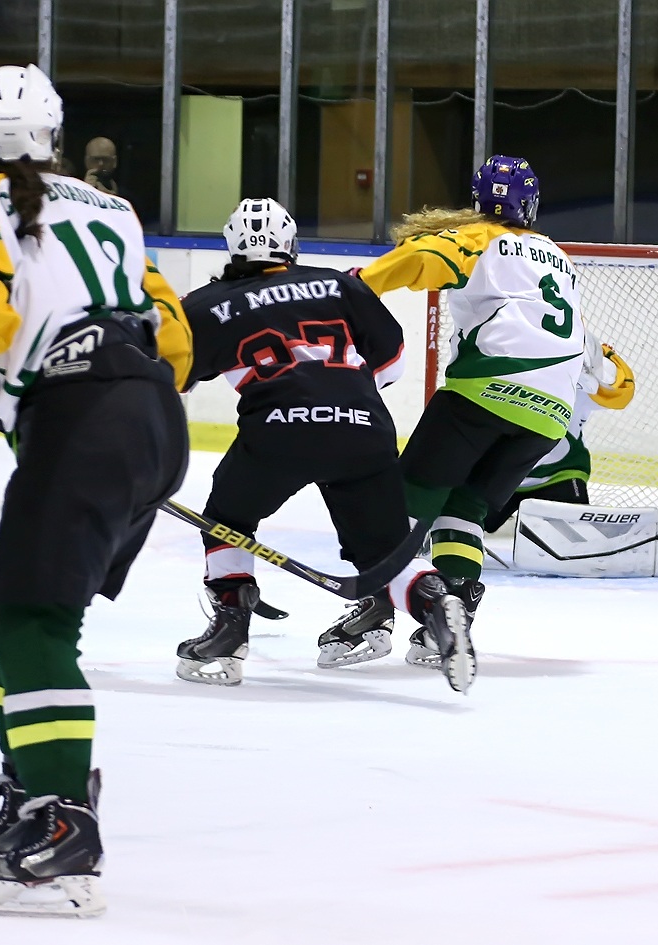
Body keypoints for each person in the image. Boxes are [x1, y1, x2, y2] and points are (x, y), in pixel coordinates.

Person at [0, 64, 193, 918]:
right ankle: (32, 789)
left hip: (84, 417)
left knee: (29, 618)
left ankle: (62, 823)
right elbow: (166, 321)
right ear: (57, 135)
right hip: (149, 412)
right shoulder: (111, 206)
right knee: (29, 610)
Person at [173, 197, 472, 691]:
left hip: (278, 431)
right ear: (291, 244)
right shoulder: (339, 283)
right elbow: (393, 365)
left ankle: (230, 624)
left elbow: (169, 375)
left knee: (227, 518)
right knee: (385, 553)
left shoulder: (206, 305)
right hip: (364, 427)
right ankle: (438, 603)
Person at [359, 154, 592, 667]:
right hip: (550, 416)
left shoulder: (477, 238)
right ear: (530, 203)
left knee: (402, 499)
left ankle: (377, 606)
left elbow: (419, 259)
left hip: (486, 393)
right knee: (463, 509)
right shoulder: (558, 256)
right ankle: (454, 608)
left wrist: (355, 284)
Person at [483, 342, 634, 533]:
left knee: (575, 538)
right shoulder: (504, 354)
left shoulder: (576, 367)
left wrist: (600, 357)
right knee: (459, 526)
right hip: (499, 475)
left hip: (558, 475)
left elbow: (621, 392)